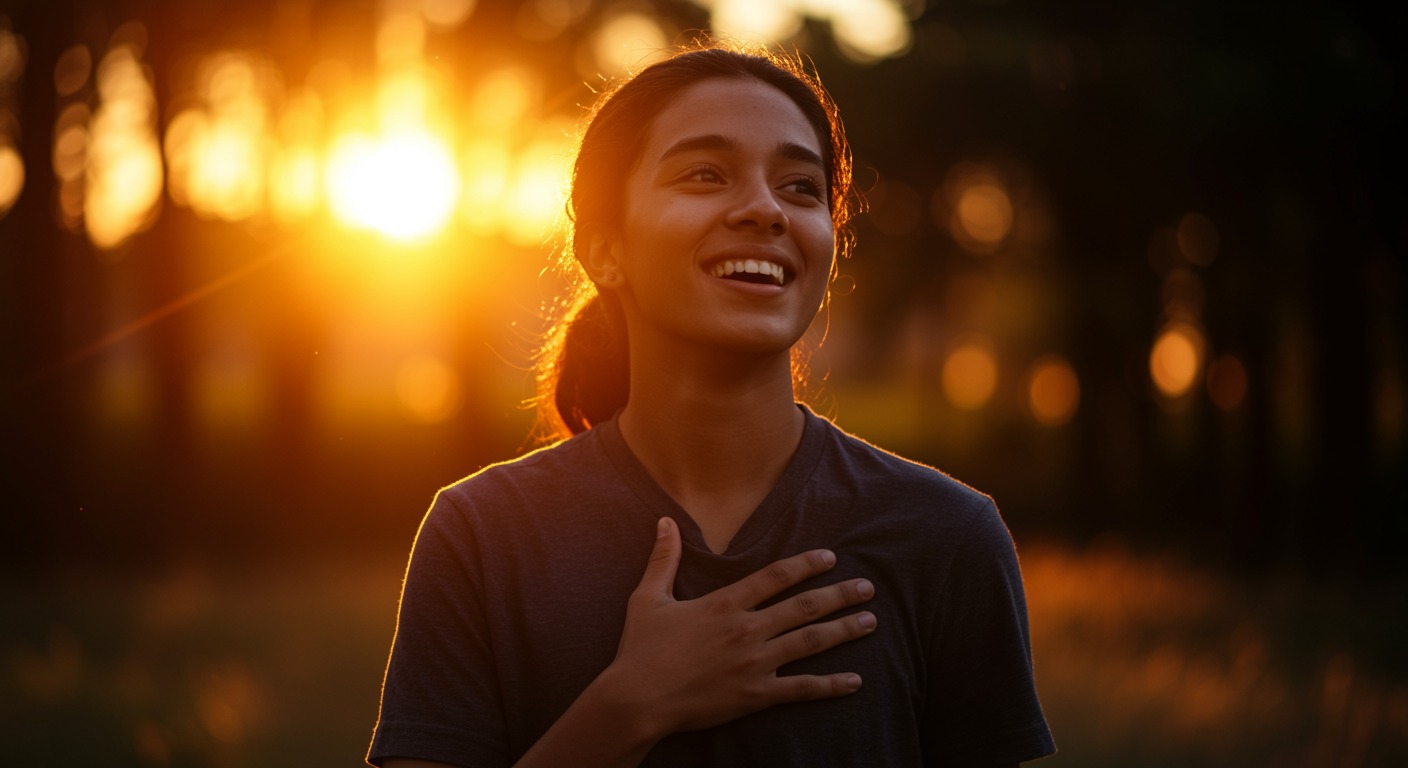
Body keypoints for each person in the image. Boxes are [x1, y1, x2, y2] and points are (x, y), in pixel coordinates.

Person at [368, 42, 1055, 767]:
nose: (765, 209)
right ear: (606, 250)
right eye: (705, 174)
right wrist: (629, 707)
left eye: (800, 187)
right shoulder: (481, 536)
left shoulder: (948, 537)